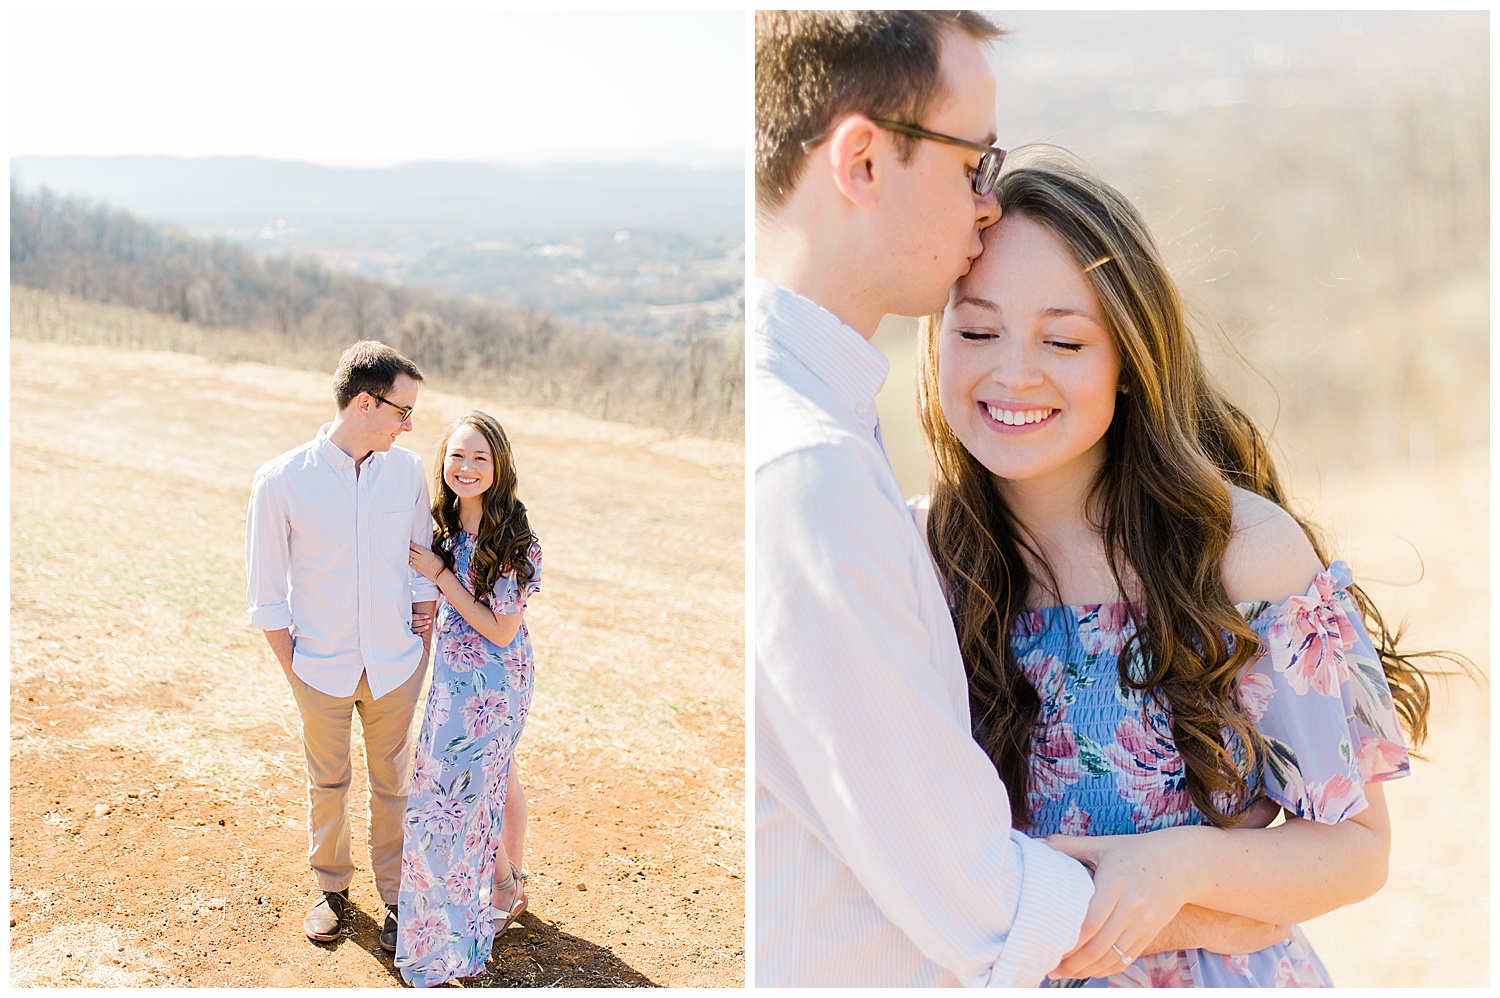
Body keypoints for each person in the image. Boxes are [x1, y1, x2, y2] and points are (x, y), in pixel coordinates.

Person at [913, 159, 1433, 986]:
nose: (1013, 373)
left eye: (1064, 339)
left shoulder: (1241, 552)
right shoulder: (914, 559)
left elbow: (1355, 847)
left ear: (1130, 353)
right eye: (977, 331)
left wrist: (1178, 867)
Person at [244, 340, 438, 950]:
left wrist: (419, 646)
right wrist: (294, 669)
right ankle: (331, 889)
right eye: (401, 411)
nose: (409, 425)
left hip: (395, 667)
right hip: (319, 668)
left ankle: (395, 898)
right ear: (363, 403)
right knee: (326, 782)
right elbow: (267, 593)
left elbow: (420, 566)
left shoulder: (406, 472)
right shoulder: (280, 482)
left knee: (394, 786)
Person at [396, 410, 541, 987]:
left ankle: (490, 896)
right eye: (457, 455)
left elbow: (502, 630)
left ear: (498, 466)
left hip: (497, 680)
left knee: (476, 787)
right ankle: (505, 885)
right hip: (452, 677)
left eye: (480, 457)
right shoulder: (441, 525)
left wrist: (439, 575)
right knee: (476, 783)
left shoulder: (514, 535)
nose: (467, 467)